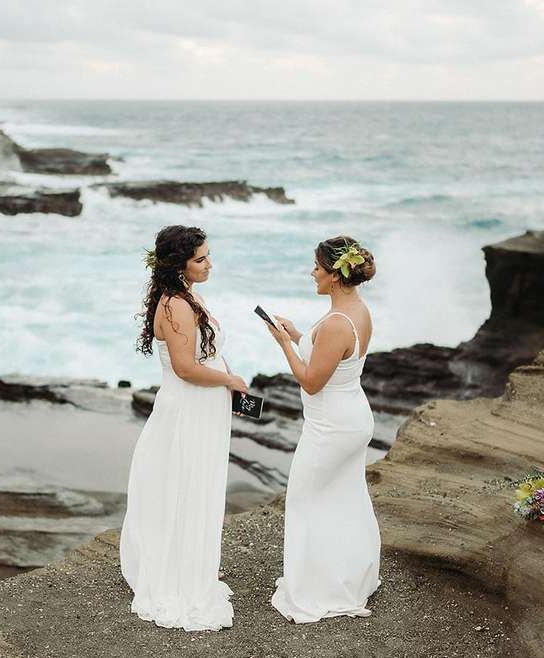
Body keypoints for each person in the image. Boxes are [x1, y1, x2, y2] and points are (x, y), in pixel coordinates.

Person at [119, 224, 247, 631]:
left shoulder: (187, 294)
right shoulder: (176, 305)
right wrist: (228, 381)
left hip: (204, 407)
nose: (209, 264)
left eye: (208, 255)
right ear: (179, 265)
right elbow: (186, 368)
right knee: (184, 484)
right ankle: (180, 573)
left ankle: (193, 561)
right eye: (200, 259)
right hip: (188, 408)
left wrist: (228, 376)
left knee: (197, 484)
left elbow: (203, 355)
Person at [265, 235, 381, 623]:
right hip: (350, 418)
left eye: (317, 267)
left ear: (333, 275)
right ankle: (349, 576)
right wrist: (300, 336)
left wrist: (284, 345)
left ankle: (319, 588)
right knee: (344, 498)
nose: (312, 273)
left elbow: (312, 381)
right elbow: (333, 360)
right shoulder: (357, 311)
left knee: (303, 499)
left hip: (332, 427)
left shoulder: (335, 323)